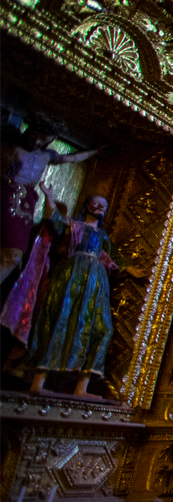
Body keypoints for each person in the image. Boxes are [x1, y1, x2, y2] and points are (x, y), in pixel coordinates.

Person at [26, 195, 117, 398]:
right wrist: (49, 196)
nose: (101, 206)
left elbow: (113, 258)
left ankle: (81, 387)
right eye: (96, 202)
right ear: (86, 205)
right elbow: (54, 220)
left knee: (101, 329)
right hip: (72, 275)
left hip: (96, 282)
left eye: (104, 205)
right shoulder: (73, 226)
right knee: (60, 320)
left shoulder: (103, 236)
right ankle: (38, 381)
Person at [0, 129, 102, 289]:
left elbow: (73, 158)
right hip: (6, 194)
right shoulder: (10, 147)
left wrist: (95, 152)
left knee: (14, 256)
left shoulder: (47, 156)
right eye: (35, 135)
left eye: (43, 138)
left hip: (25, 203)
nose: (37, 141)